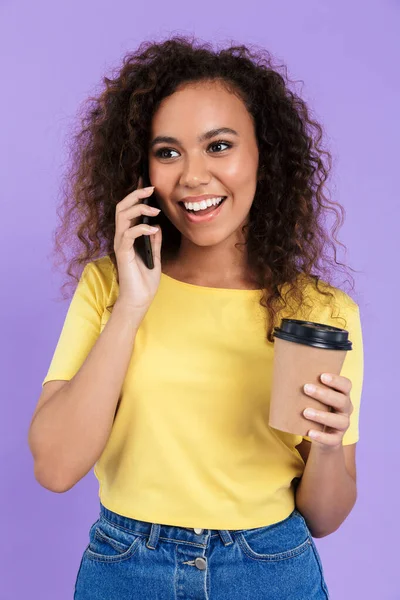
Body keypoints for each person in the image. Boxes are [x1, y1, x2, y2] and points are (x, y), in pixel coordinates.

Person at [28, 36, 363, 599]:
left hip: (271, 568)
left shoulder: (321, 311)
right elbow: (56, 469)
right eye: (168, 152)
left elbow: (326, 518)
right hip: (127, 568)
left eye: (220, 145)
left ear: (265, 154)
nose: (193, 176)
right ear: (143, 170)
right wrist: (133, 304)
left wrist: (327, 446)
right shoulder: (109, 287)